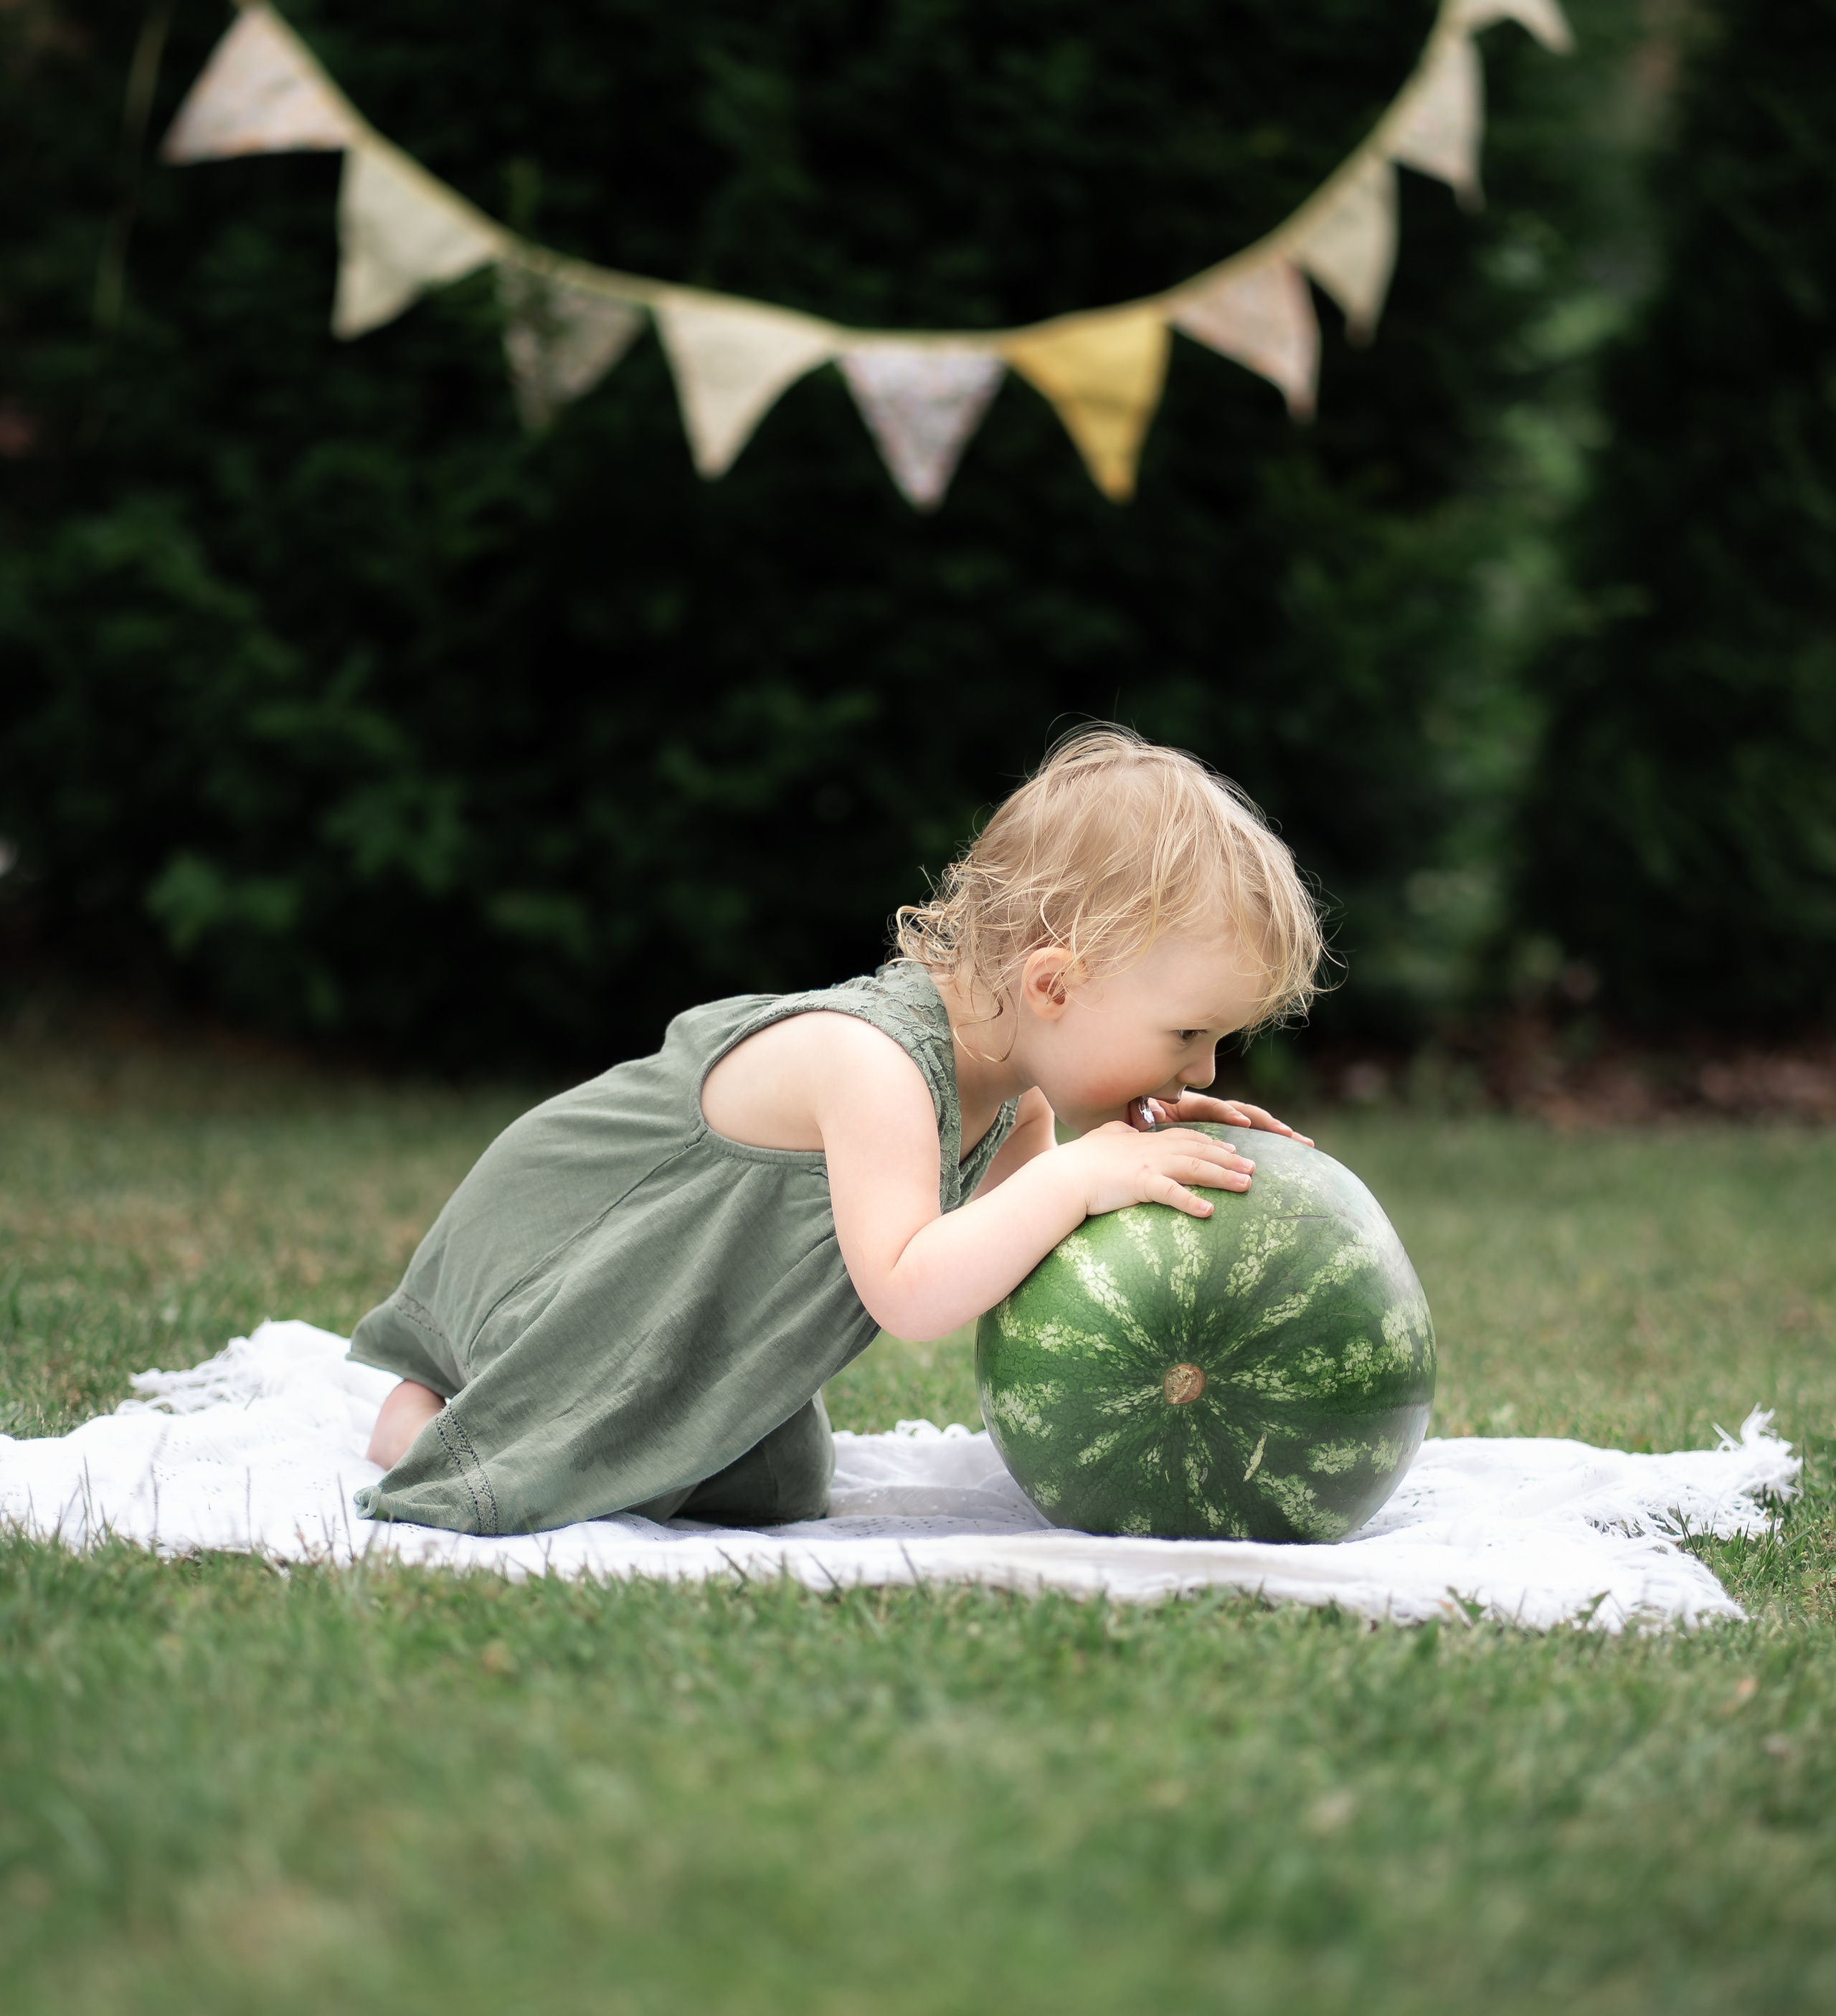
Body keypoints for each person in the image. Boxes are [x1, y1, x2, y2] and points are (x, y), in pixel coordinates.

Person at [351, 725, 1325, 1534]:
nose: (1202, 1068)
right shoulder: (877, 1065)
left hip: (713, 1306)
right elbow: (910, 1289)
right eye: (1188, 1036)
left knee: (778, 1490)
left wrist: (1146, 1182)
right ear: (1054, 985)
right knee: (535, 1475)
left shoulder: (1018, 1099)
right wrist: (1077, 1179)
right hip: (585, 1258)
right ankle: (439, 1408)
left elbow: (1023, 1265)